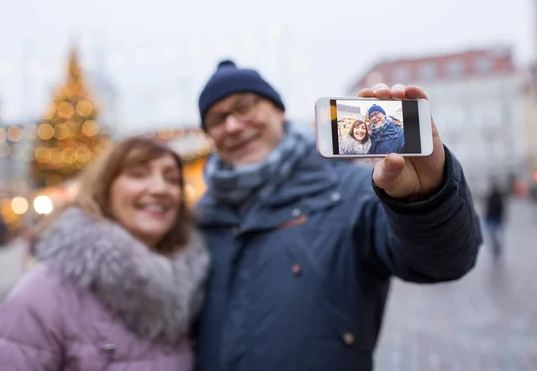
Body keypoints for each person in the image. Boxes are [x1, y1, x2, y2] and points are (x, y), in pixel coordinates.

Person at [192, 59, 482, 371]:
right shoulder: (198, 218)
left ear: (278, 109)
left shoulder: (351, 190)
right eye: (217, 119)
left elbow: (445, 261)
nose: (233, 125)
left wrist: (426, 199)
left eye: (245, 106)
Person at [0, 136, 209, 371]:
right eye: (139, 174)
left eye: (172, 179)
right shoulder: (46, 291)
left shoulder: (193, 289)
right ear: (104, 188)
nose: (160, 189)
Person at [484, 177, 507, 262]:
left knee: (494, 235)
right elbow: (487, 208)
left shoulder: (497, 196)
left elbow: (501, 208)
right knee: (492, 235)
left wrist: (501, 218)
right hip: (490, 218)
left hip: (495, 218)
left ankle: (497, 249)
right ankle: (496, 249)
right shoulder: (489, 195)